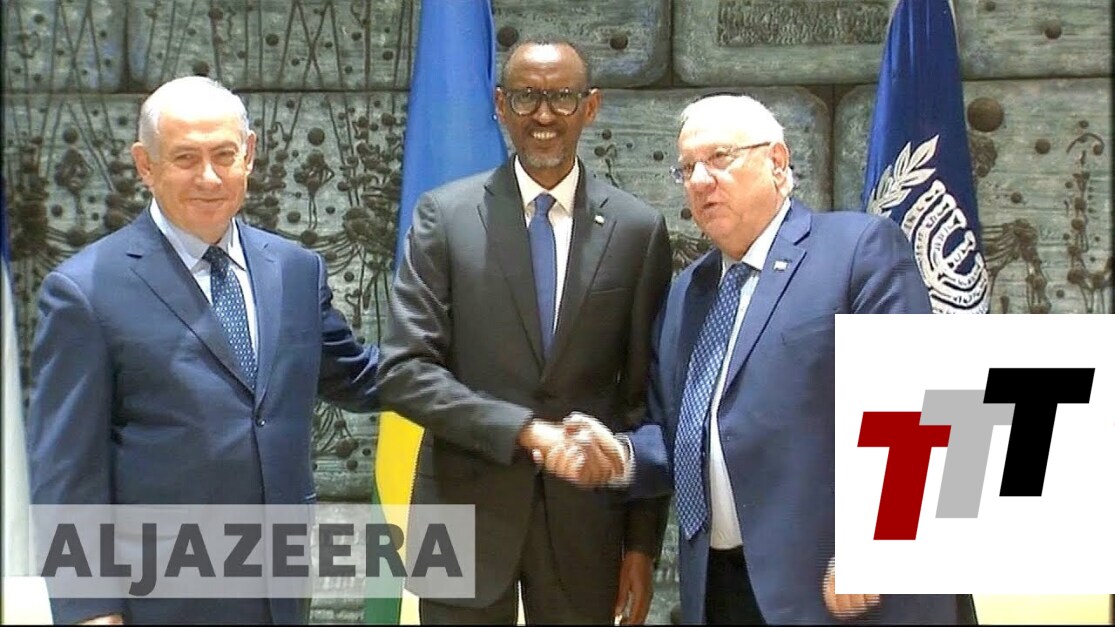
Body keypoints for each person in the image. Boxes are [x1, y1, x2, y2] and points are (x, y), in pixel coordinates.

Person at [546, 93, 974, 624]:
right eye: (687, 168)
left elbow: (919, 407)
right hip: (723, 592)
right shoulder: (687, 294)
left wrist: (874, 544)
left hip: (843, 591)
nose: (700, 180)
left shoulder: (857, 250)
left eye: (719, 158)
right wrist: (620, 457)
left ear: (777, 161)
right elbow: (681, 435)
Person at [25, 76, 380, 625]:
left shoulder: (295, 269)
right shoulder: (84, 290)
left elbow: (358, 376)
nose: (209, 177)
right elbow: (66, 467)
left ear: (250, 155)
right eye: (186, 158)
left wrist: (492, 375)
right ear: (145, 165)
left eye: (224, 155)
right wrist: (90, 609)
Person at [375, 39, 673, 624]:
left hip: (586, 526)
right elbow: (405, 371)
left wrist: (641, 547)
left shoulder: (638, 230)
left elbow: (644, 402)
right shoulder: (444, 216)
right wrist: (527, 432)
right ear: (499, 105)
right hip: (458, 513)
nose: (543, 114)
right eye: (526, 96)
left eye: (562, 97)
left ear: (590, 106)